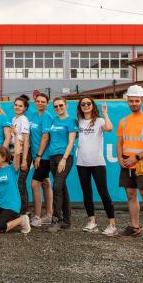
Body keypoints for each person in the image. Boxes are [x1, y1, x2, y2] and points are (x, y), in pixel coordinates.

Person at [116, 85, 143, 240]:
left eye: (136, 101)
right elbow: (120, 142)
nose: (133, 103)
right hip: (127, 162)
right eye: (131, 101)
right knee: (130, 194)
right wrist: (120, 158)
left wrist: (137, 158)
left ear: (142, 101)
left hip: (142, 163)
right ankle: (135, 227)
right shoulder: (123, 121)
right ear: (127, 101)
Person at [75, 97, 117, 236]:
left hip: (97, 162)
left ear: (92, 105)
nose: (86, 106)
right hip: (82, 163)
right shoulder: (78, 122)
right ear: (80, 107)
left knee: (103, 193)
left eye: (88, 103)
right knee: (86, 193)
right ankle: (92, 222)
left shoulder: (99, 121)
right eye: (83, 104)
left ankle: (112, 225)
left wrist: (105, 113)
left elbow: (109, 128)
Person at [45, 98, 78, 233]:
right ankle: (67, 221)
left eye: (61, 105)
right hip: (52, 157)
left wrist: (64, 158)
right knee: (62, 187)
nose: (58, 108)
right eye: (56, 106)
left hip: (64, 157)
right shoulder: (54, 120)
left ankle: (57, 220)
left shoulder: (71, 121)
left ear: (66, 105)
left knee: (57, 187)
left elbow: (71, 142)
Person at [28, 92, 55, 227]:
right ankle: (49, 215)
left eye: (43, 102)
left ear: (47, 103)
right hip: (36, 155)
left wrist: (39, 155)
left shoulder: (47, 116)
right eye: (38, 101)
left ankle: (37, 216)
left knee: (34, 184)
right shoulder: (33, 115)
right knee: (45, 182)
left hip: (44, 156)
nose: (40, 103)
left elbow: (45, 137)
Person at [10, 95, 31, 215]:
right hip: (15, 153)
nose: (17, 107)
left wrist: (24, 160)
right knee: (16, 182)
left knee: (20, 183)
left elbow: (26, 140)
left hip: (23, 154)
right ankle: (18, 209)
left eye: (20, 106)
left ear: (25, 108)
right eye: (16, 105)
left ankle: (24, 211)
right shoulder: (14, 119)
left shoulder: (23, 119)